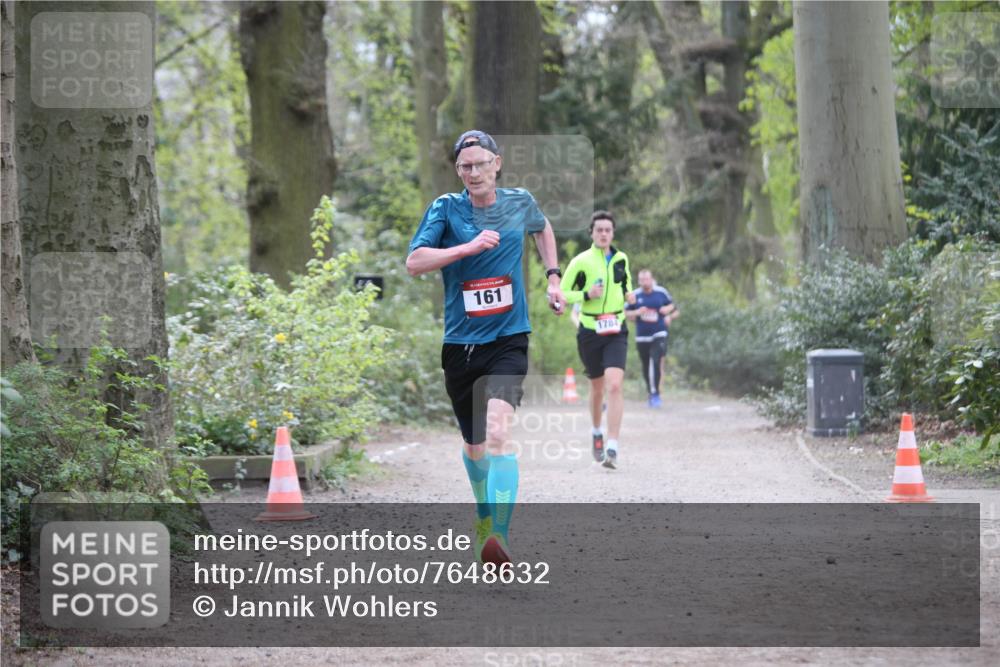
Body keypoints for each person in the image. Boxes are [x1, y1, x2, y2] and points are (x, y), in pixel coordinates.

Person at [406, 130, 565, 565]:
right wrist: (467, 247)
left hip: (509, 339)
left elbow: (542, 227)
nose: (473, 172)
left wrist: (553, 277)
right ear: (458, 171)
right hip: (460, 345)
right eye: (465, 167)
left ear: (497, 163)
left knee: (498, 431)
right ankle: (482, 510)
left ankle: (499, 535)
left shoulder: (519, 202)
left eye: (480, 164)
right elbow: (414, 262)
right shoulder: (446, 209)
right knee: (474, 444)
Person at [559, 211, 634, 469]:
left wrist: (631, 297)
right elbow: (562, 294)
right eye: (599, 229)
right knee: (597, 387)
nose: (603, 234)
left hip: (616, 328)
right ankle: (595, 431)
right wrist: (586, 293)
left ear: (613, 233)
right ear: (591, 233)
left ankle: (612, 447)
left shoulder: (622, 259)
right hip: (590, 329)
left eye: (608, 230)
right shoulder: (581, 261)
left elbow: (626, 288)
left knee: (614, 385)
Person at [625, 269, 678, 408]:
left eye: (647, 279)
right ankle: (651, 392)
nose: (644, 282)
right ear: (639, 281)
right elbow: (625, 312)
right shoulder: (635, 295)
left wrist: (668, 311)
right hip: (642, 336)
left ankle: (655, 394)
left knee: (655, 361)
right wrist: (637, 312)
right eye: (641, 280)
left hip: (659, 333)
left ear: (651, 279)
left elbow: (673, 305)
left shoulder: (661, 292)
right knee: (645, 365)